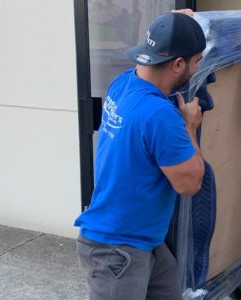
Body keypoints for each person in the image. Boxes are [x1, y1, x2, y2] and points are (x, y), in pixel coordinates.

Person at [74, 11, 206, 300]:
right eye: (197, 61)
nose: (198, 69)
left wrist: (173, 25)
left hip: (145, 242)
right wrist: (191, 127)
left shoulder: (123, 83)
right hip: (117, 251)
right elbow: (190, 184)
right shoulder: (160, 116)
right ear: (178, 63)